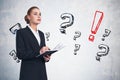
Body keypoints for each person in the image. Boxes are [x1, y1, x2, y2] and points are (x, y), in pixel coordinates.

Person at [16, 6, 50, 80]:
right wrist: (39, 51)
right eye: (35, 14)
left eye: (40, 14)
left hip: (41, 73)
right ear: (28, 17)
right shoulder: (21, 32)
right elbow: (20, 54)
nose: (39, 16)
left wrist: (46, 57)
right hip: (28, 73)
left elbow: (42, 53)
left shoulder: (41, 34)